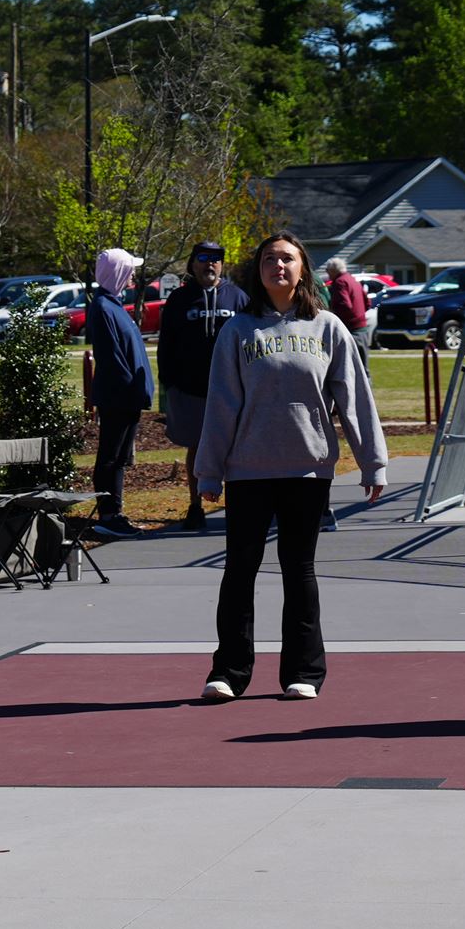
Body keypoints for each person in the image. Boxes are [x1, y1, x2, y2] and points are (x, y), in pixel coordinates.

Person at [192, 232, 388, 702]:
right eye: (268, 260)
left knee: (298, 570)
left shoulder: (328, 328)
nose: (277, 266)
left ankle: (303, 673)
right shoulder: (238, 332)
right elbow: (220, 405)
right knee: (240, 569)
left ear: (303, 269)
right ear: (257, 270)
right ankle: (229, 673)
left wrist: (372, 464)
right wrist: (209, 470)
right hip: (247, 471)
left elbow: (355, 399)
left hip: (307, 470)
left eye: (286, 259)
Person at [156, 241, 249, 531]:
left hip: (233, 390)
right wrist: (169, 383)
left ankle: (237, 508)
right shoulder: (179, 300)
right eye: (203, 258)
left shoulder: (238, 298)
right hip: (191, 389)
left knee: (235, 450)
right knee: (197, 448)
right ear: (192, 264)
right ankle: (195, 506)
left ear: (222, 264)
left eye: (216, 259)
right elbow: (166, 345)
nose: (210, 264)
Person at [85, 247, 154, 538]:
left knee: (120, 457)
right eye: (129, 271)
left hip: (127, 397)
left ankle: (117, 513)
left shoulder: (112, 305)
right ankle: (108, 516)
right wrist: (130, 391)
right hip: (119, 398)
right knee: (111, 457)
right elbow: (112, 358)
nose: (133, 277)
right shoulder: (102, 308)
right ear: (118, 273)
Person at [321, 255, 373, 358]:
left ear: (333, 270)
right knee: (363, 369)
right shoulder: (353, 280)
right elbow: (367, 302)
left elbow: (344, 305)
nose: (327, 273)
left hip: (351, 331)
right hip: (362, 328)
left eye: (327, 270)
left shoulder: (340, 282)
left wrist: (332, 317)